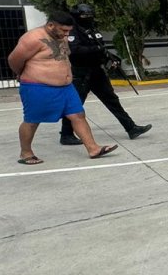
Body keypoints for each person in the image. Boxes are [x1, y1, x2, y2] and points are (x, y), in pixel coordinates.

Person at [9, 11, 118, 165]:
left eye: (69, 31)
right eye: (64, 30)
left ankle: (93, 148)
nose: (67, 34)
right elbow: (14, 59)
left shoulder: (61, 37)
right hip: (38, 86)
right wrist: (20, 73)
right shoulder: (32, 38)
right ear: (51, 25)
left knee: (78, 115)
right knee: (32, 120)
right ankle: (26, 152)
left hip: (66, 87)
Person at [57, 4, 151, 146]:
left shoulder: (91, 28)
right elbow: (75, 50)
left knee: (112, 100)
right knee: (74, 105)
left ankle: (131, 128)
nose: (88, 18)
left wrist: (109, 58)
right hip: (81, 72)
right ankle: (66, 134)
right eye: (85, 16)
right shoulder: (73, 30)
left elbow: (100, 47)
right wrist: (97, 49)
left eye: (90, 15)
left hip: (97, 71)